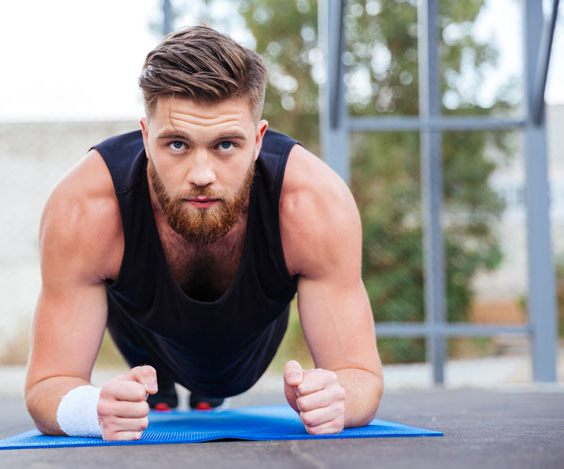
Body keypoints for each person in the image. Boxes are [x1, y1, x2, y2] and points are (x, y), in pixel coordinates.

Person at [24, 25, 383, 442]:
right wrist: (94, 409)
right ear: (144, 136)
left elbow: (360, 375)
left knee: (217, 384)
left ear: (258, 140)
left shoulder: (312, 203)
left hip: (244, 344)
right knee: (125, 280)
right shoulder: (85, 207)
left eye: (226, 145)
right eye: (176, 144)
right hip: (144, 328)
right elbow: (47, 383)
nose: (201, 175)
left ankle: (205, 393)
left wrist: (335, 397)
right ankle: (161, 387)